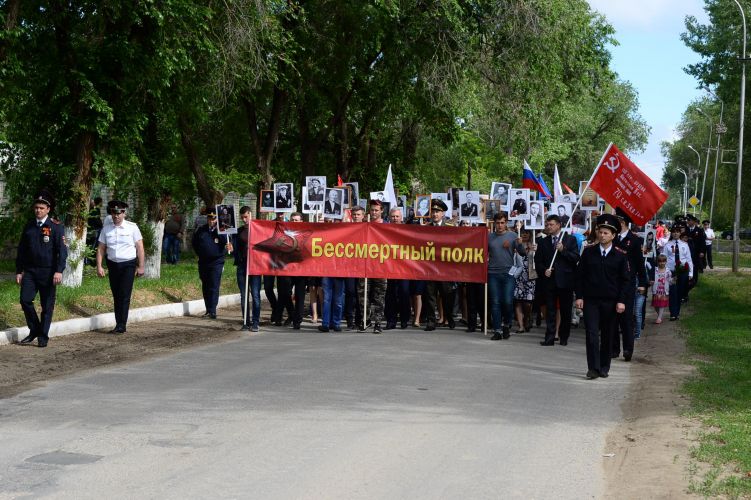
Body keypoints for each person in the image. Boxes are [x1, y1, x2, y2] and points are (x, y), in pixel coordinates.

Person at [575, 214, 631, 380]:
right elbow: (580, 276)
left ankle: (604, 366)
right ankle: (593, 368)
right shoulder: (589, 253)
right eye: (600, 232)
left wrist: (621, 301)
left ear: (613, 235)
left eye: (606, 233)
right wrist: (579, 296)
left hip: (611, 302)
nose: (602, 235)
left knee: (607, 335)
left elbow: (625, 281)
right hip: (591, 300)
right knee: (591, 334)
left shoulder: (620, 255)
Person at [16, 191, 67, 348]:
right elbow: (22, 250)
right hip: (30, 271)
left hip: (48, 272)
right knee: (25, 300)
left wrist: (59, 270)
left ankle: (42, 336)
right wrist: (19, 271)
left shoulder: (56, 227)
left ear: (48, 209)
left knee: (47, 306)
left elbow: (62, 251)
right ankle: (35, 330)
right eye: (36, 207)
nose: (38, 210)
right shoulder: (29, 226)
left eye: (41, 208)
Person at [96, 200, 145, 333]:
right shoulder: (106, 229)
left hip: (128, 264)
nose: (116, 215)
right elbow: (101, 248)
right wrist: (99, 266)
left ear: (124, 213)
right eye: (113, 212)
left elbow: (140, 247)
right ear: (111, 213)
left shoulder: (132, 227)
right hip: (113, 265)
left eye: (119, 213)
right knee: (116, 294)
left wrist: (141, 266)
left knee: (124, 294)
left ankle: (121, 324)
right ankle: (119, 322)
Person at [534, 214, 580, 346]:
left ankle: (564, 336)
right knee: (550, 310)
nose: (549, 227)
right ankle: (549, 337)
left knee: (565, 311)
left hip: (565, 281)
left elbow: (575, 258)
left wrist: (563, 250)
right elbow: (538, 261)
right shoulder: (543, 242)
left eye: (551, 224)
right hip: (549, 281)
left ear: (559, 225)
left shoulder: (570, 240)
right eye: (547, 225)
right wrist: (544, 271)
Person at [613, 209, 647, 361]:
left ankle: (628, 349)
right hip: (612, 282)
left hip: (628, 283)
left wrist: (643, 283)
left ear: (622, 223)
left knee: (626, 318)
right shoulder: (612, 238)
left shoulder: (634, 240)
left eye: (616, 222)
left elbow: (640, 264)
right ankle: (614, 349)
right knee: (612, 318)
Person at [487, 212, 526, 340]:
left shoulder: (513, 236)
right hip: (493, 273)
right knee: (495, 302)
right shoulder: (489, 237)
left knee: (508, 301)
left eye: (502, 223)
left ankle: (507, 324)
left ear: (506, 223)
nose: (500, 225)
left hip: (508, 273)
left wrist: (520, 244)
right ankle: (497, 330)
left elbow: (522, 253)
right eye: (497, 223)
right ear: (494, 223)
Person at [423, 199, 456, 331]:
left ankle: (449, 317)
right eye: (433, 211)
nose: (435, 214)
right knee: (430, 295)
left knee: (447, 295)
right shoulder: (426, 229)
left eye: (438, 212)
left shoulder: (450, 228)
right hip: (430, 267)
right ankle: (431, 321)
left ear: (443, 214)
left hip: (445, 268)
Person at [192, 209, 228, 319]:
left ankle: (212, 311)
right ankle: (208, 309)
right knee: (206, 285)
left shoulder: (222, 229)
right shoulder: (201, 230)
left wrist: (218, 230)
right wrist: (201, 253)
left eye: (214, 218)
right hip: (203, 261)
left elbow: (226, 242)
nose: (211, 221)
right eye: (209, 218)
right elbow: (195, 243)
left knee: (214, 285)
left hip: (217, 262)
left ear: (217, 219)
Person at [357, 200, 387, 333]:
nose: (374, 213)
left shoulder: (387, 226)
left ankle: (378, 323)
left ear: (381, 211)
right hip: (365, 266)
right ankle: (366, 319)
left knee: (379, 296)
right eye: (372, 210)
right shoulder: (365, 225)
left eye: (376, 210)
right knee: (363, 295)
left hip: (381, 266)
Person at [274, 212, 307, 329]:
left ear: (301, 221)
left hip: (301, 269)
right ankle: (292, 314)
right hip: (287, 268)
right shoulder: (285, 232)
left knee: (299, 295)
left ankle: (297, 320)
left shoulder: (305, 233)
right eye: (292, 220)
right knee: (284, 293)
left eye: (297, 220)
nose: (294, 222)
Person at [231, 206, 261, 331]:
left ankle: (255, 322)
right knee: (244, 295)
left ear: (251, 215)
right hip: (242, 266)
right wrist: (231, 249)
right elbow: (235, 250)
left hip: (255, 266)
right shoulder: (238, 232)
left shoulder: (259, 230)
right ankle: (245, 321)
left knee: (255, 294)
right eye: (242, 217)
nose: (244, 220)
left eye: (246, 217)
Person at [384, 207, 411, 330]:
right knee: (390, 294)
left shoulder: (407, 230)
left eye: (397, 216)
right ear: (390, 217)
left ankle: (404, 320)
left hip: (404, 268)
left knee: (404, 293)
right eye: (393, 216)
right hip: (389, 267)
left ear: (401, 217)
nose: (395, 219)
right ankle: (391, 320)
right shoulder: (384, 230)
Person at [660, 223, 693, 321]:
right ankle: (673, 313)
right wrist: (664, 271)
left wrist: (690, 273)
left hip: (683, 271)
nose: (675, 234)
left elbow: (689, 259)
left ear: (680, 233)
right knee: (672, 292)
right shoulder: (667, 245)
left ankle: (677, 312)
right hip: (671, 272)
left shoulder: (684, 245)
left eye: (677, 232)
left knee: (680, 292)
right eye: (674, 232)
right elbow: (663, 258)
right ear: (672, 233)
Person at [514, 229, 536, 333]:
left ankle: (527, 319)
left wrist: (534, 251)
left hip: (530, 276)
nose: (525, 234)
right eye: (523, 232)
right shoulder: (516, 245)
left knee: (527, 303)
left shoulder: (535, 245)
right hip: (517, 276)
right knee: (518, 301)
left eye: (527, 232)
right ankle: (521, 326)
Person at [652, 254, 671, 324]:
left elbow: (670, 280)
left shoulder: (668, 271)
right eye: (660, 261)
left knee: (662, 304)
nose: (662, 263)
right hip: (656, 290)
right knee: (655, 305)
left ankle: (659, 317)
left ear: (666, 262)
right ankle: (659, 315)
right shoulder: (655, 270)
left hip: (664, 290)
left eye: (663, 261)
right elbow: (652, 279)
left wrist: (673, 280)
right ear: (657, 262)